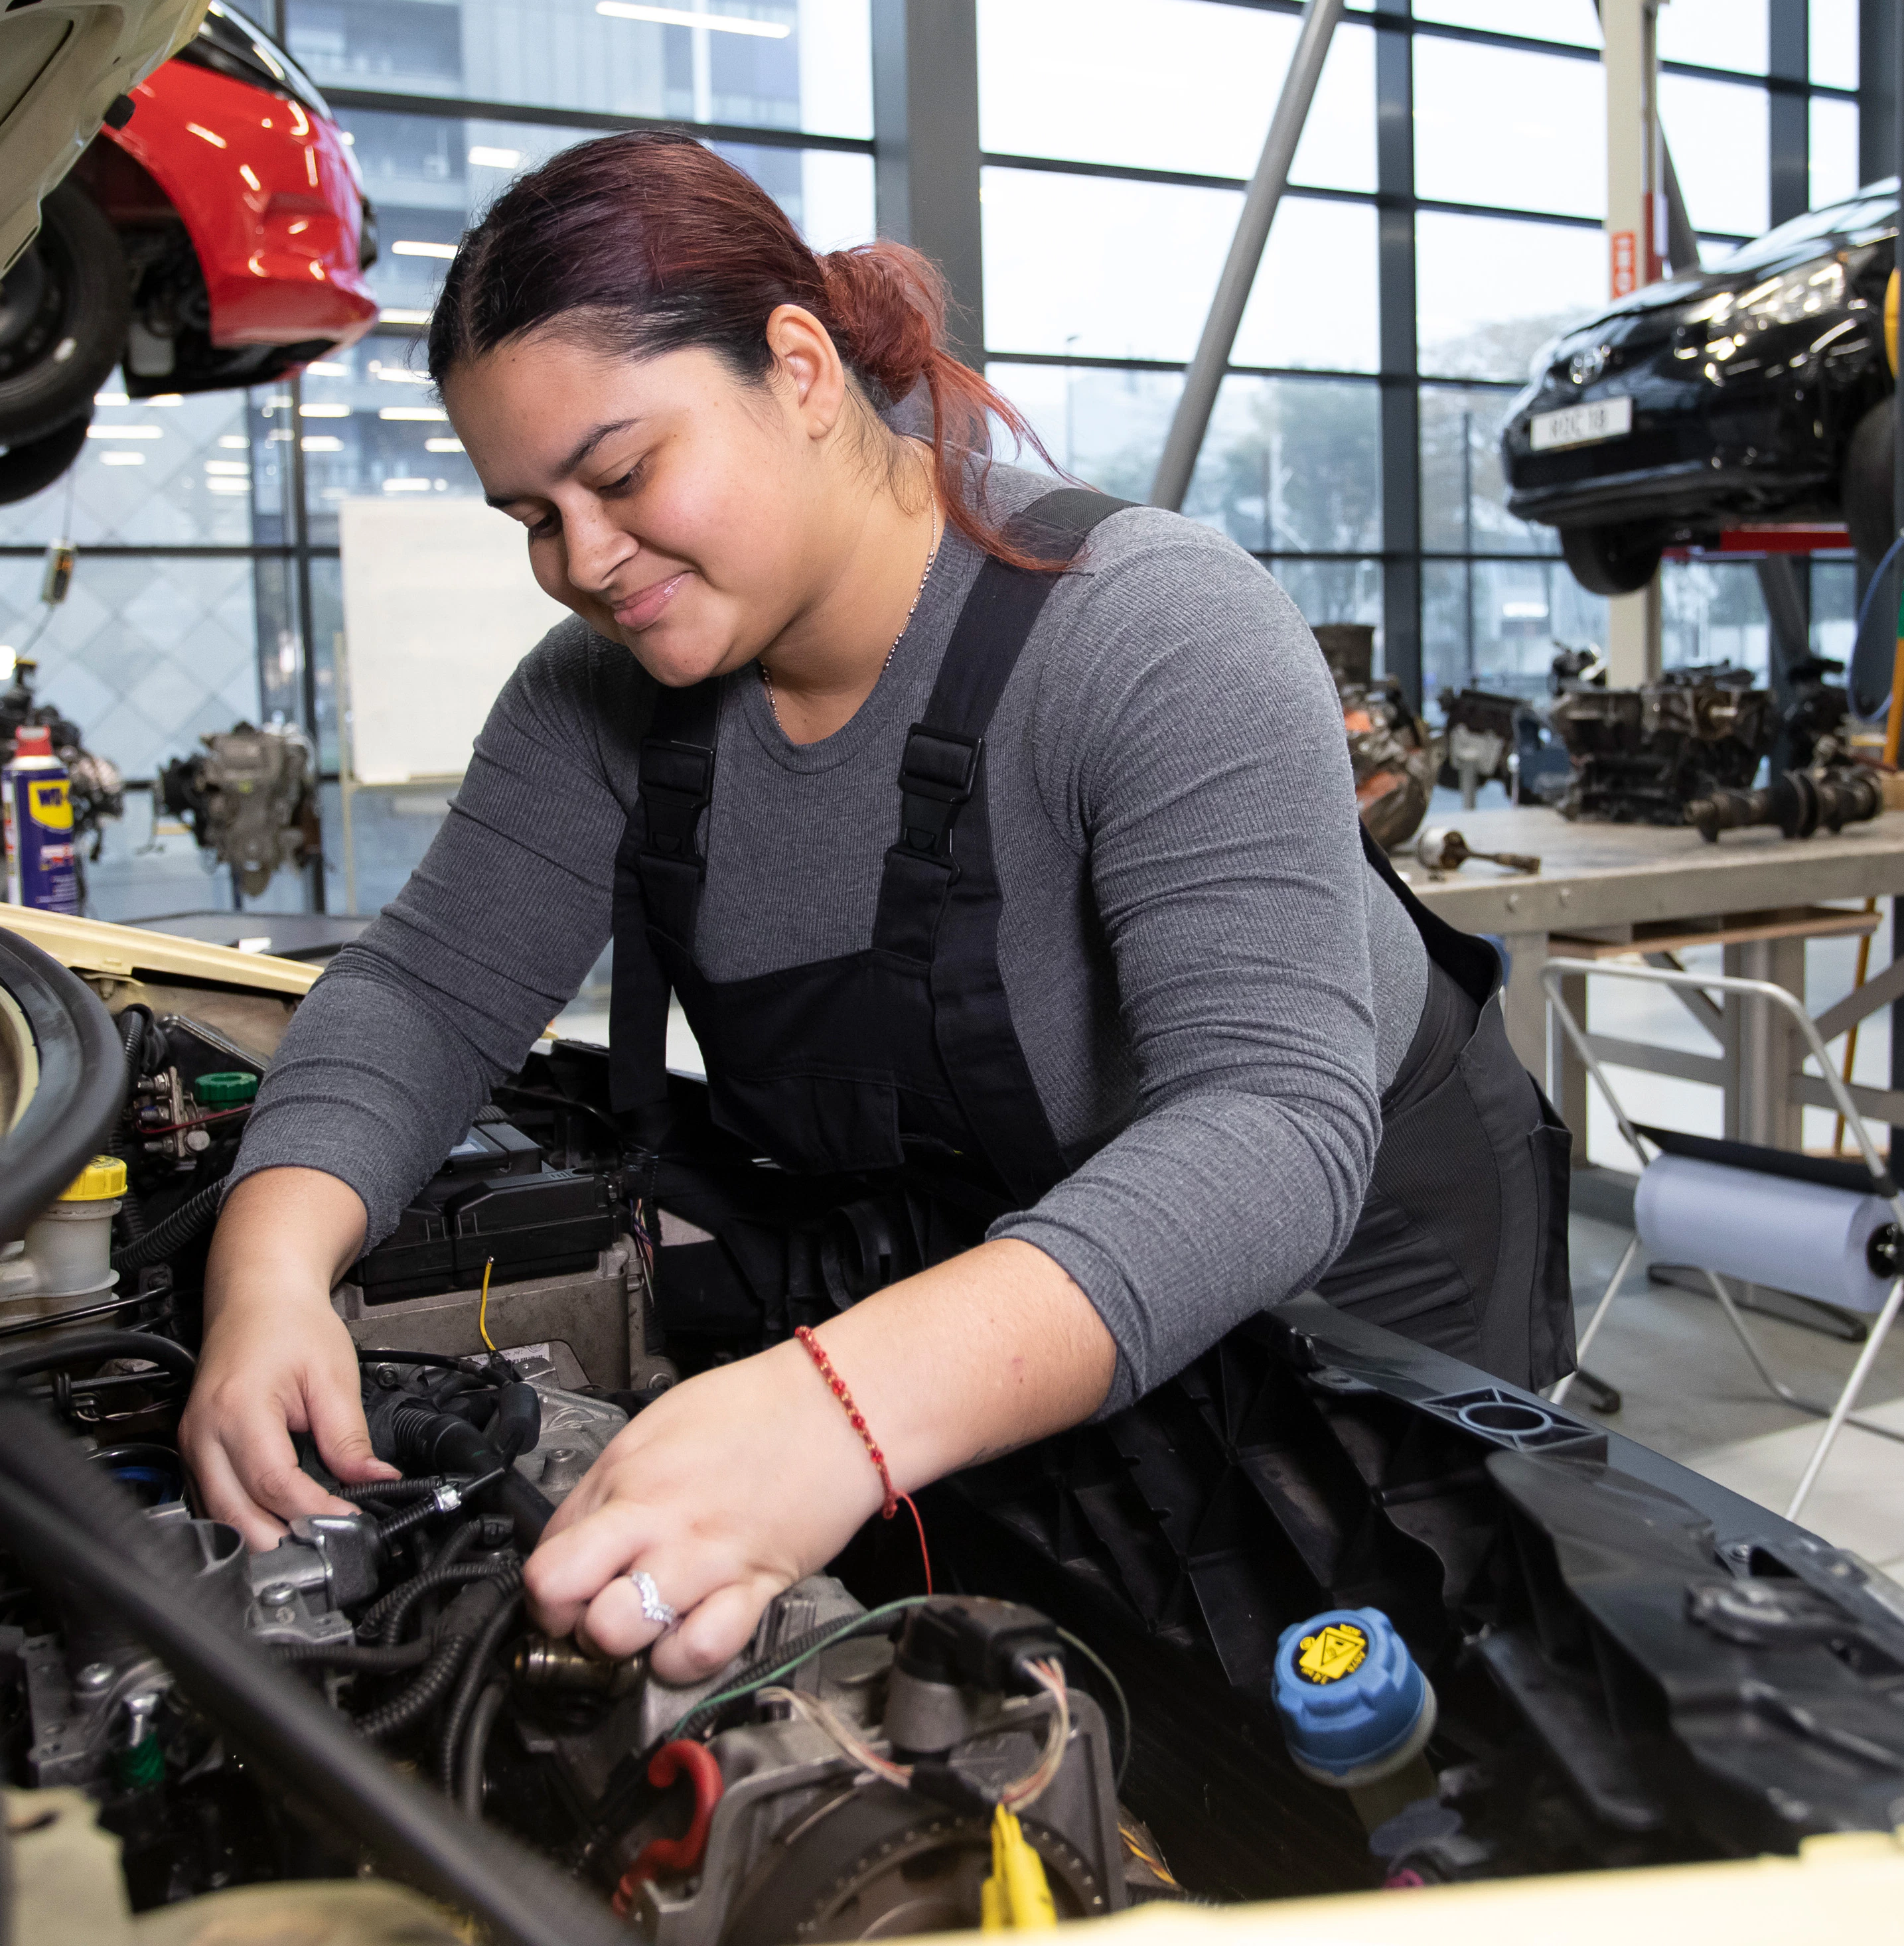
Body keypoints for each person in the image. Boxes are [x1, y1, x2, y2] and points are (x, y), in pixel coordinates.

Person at [180, 131, 1571, 1685]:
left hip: (1360, 1261)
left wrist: (833, 1409)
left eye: (624, 472)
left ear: (797, 367)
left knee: (1395, 1716)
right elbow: (429, 993)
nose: (580, 559)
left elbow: (1267, 1121)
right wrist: (273, 1268)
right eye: (531, 516)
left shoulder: (1149, 628)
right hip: (1008, 1270)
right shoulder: (599, 701)